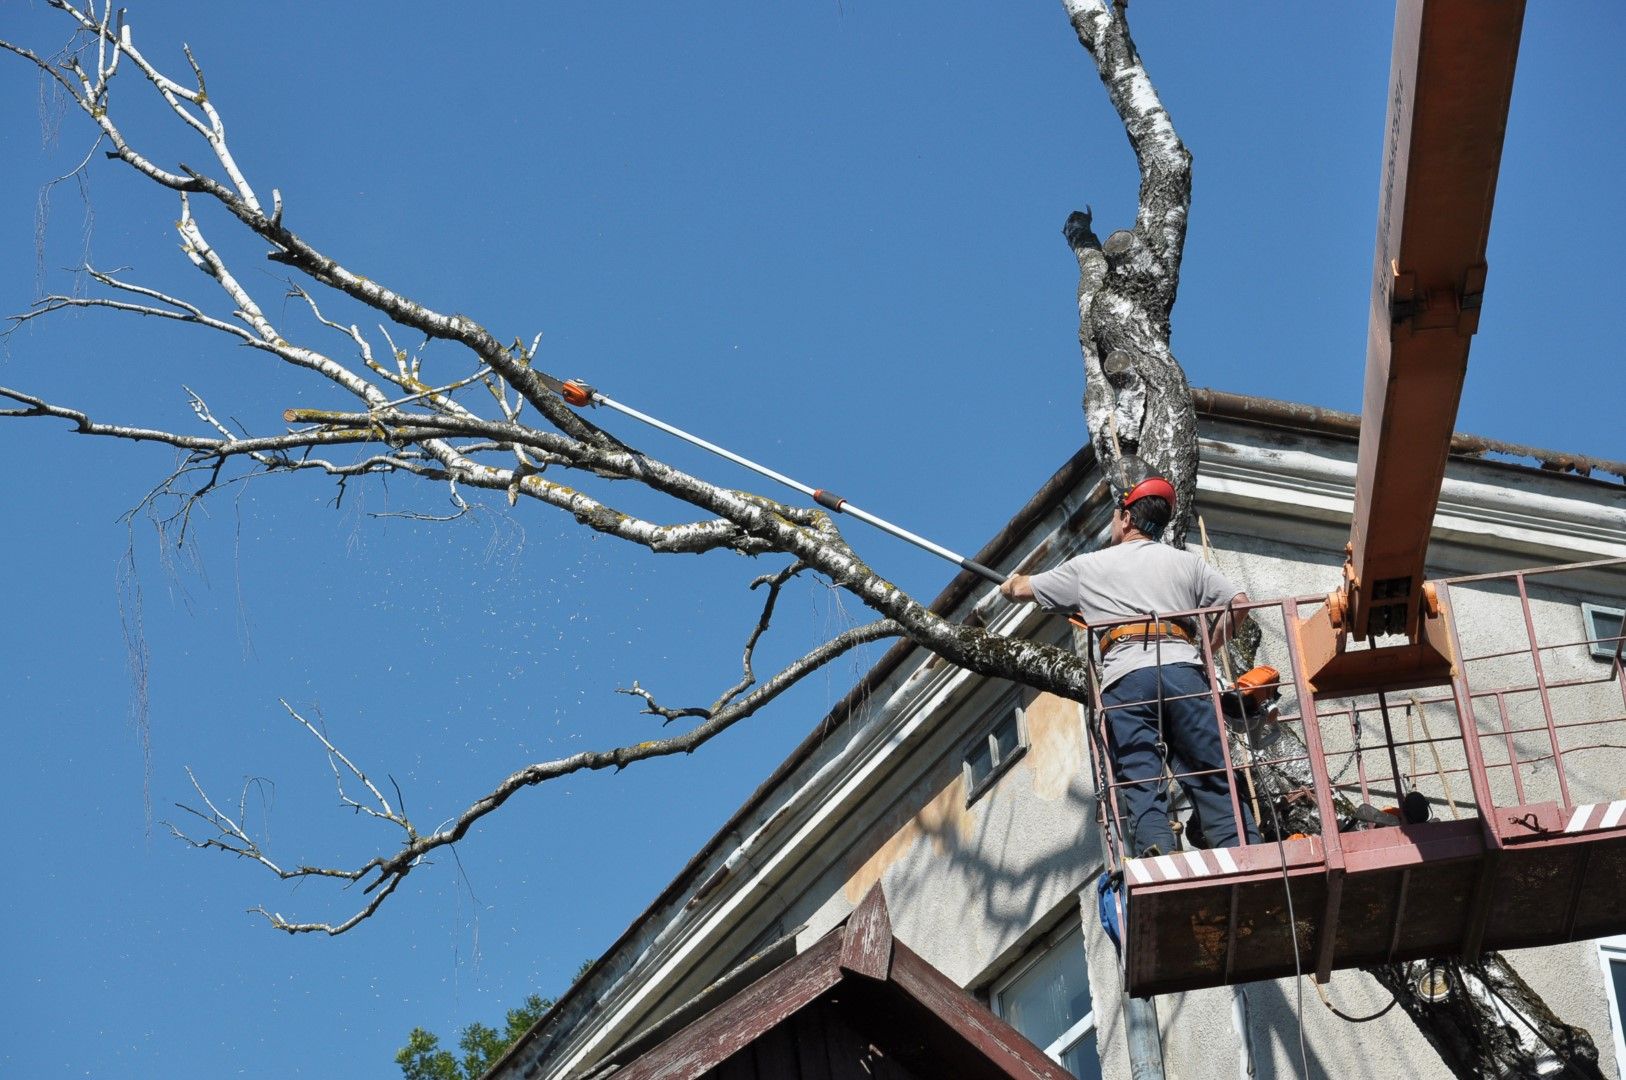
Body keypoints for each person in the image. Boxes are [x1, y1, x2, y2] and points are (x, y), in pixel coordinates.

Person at [1000, 467, 1260, 856]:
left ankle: (1156, 846)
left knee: (1139, 771)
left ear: (1126, 517)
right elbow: (1238, 604)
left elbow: (1020, 590)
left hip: (1126, 678)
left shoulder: (1089, 567)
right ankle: (1244, 849)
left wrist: (1011, 582)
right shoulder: (1185, 564)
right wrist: (1207, 647)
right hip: (1183, 671)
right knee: (1209, 770)